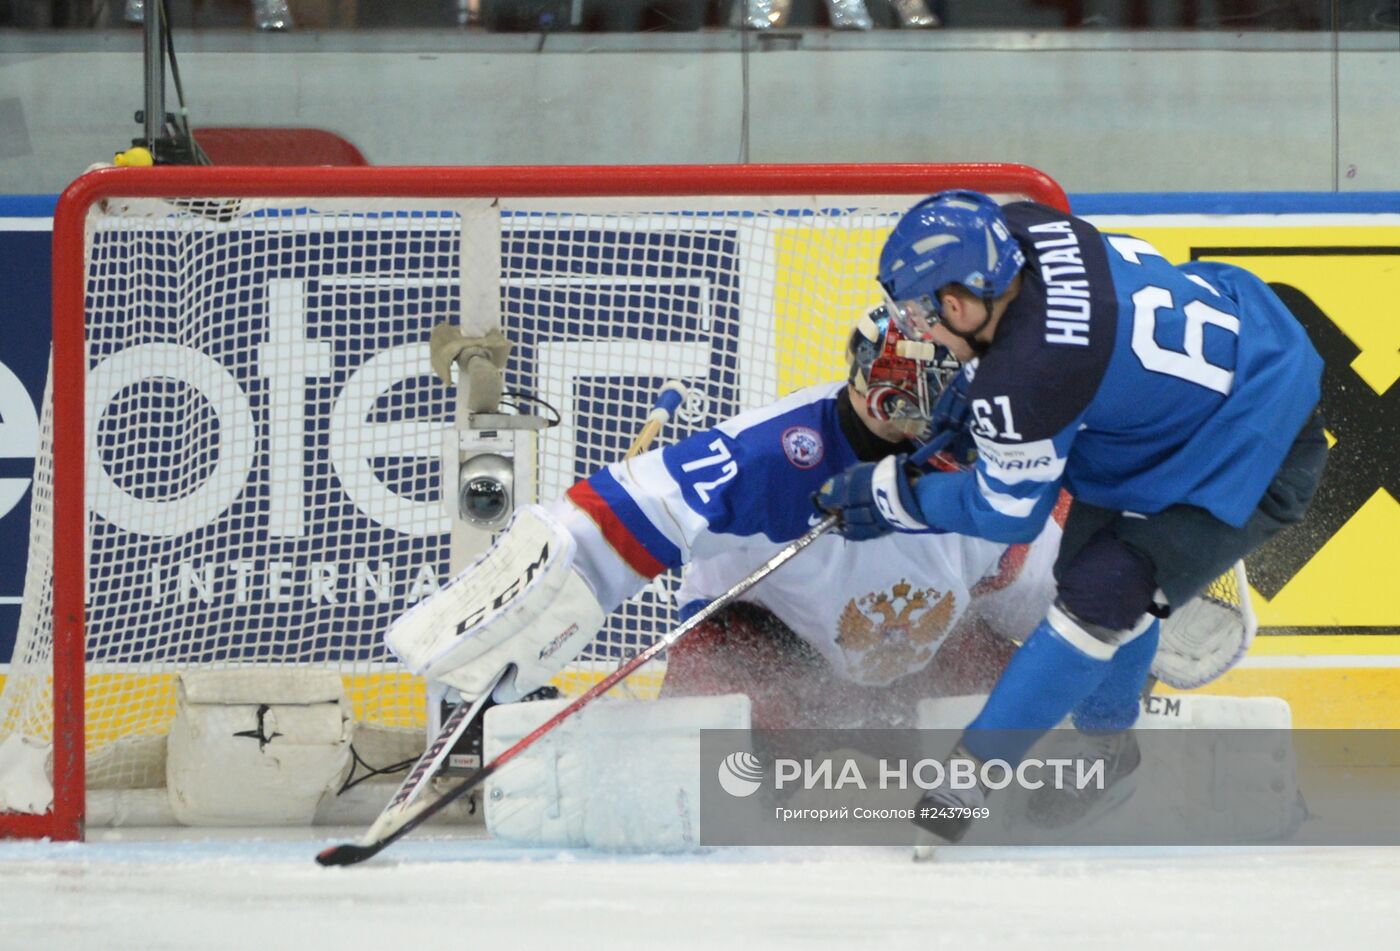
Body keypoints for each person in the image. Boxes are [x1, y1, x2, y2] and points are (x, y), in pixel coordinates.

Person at [815, 190, 1327, 841]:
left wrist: (893, 494)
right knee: (1090, 569)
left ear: (963, 300)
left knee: (1102, 593)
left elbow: (1004, 515)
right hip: (1215, 363)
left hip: (1258, 435)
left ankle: (967, 781)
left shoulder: (1034, 373)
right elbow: (1051, 336)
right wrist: (978, 401)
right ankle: (1110, 750)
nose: (920, 327)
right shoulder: (1022, 228)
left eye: (924, 309)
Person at [387, 305, 1062, 732]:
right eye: (962, 401)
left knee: (1053, 733)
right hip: (762, 639)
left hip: (929, 652)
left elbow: (1045, 601)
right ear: (895, 403)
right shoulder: (772, 457)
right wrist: (521, 625)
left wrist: (1115, 630)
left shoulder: (998, 478)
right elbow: (611, 516)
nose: (987, 420)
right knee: (710, 774)